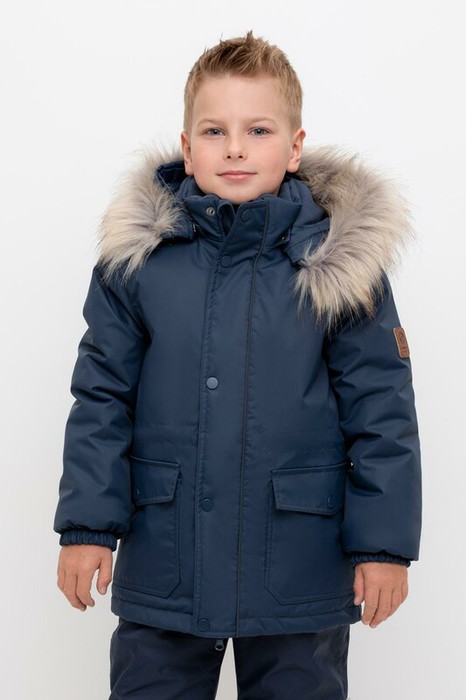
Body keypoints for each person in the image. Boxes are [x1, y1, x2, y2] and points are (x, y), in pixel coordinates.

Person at [54, 31, 422, 700]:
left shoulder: (339, 262)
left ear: (295, 146)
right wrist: (87, 527)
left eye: (258, 129)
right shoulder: (139, 261)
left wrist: (383, 546)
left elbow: (382, 407)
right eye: (214, 131)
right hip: (168, 557)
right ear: (187, 145)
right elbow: (102, 396)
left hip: (298, 564)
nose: (235, 148)